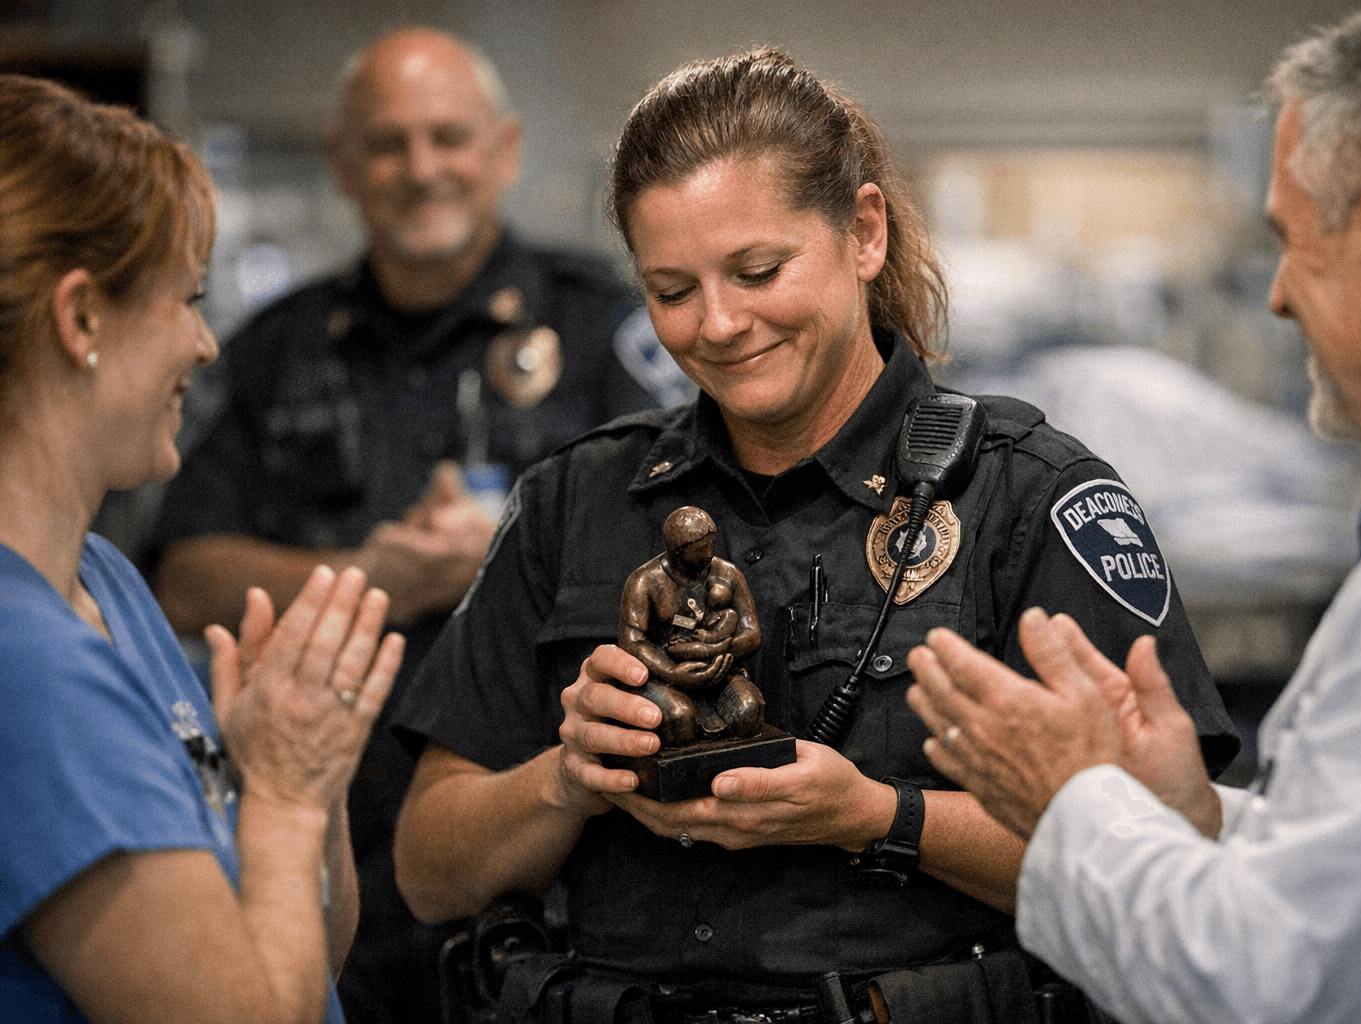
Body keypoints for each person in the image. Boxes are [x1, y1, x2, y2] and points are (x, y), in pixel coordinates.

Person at [391, 47, 1237, 1024]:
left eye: (758, 271)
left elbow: (1170, 874)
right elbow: (426, 872)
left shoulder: (1025, 497)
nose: (718, 323)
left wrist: (881, 817)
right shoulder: (575, 500)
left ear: (864, 230)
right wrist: (568, 776)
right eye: (671, 289)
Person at [906, 2, 1361, 1022]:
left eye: (1292, 239)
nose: (1278, 295)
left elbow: (1268, 985)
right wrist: (1190, 816)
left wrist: (1072, 799)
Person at [147, 27, 677, 1024]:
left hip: (552, 862)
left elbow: (699, 554)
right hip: (332, 851)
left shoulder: (609, 331)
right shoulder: (276, 350)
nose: (421, 168)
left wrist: (514, 557)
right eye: (387, 144)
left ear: (503, 151)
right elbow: (184, 572)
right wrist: (366, 572)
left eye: (448, 137)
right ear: (344, 163)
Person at [0, 74, 404, 1024]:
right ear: (81, 319)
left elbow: (305, 966)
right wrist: (287, 793)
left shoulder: (103, 583)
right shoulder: (26, 669)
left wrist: (308, 780)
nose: (206, 344)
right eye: (186, 299)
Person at [618, 506, 764, 745]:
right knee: (680, 720)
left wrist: (713, 652)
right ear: (678, 551)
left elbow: (752, 634)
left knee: (749, 710)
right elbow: (632, 642)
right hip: (668, 675)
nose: (710, 553)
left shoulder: (728, 573)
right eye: (701, 549)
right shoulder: (644, 581)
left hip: (718, 669)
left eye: (712, 544)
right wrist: (671, 672)